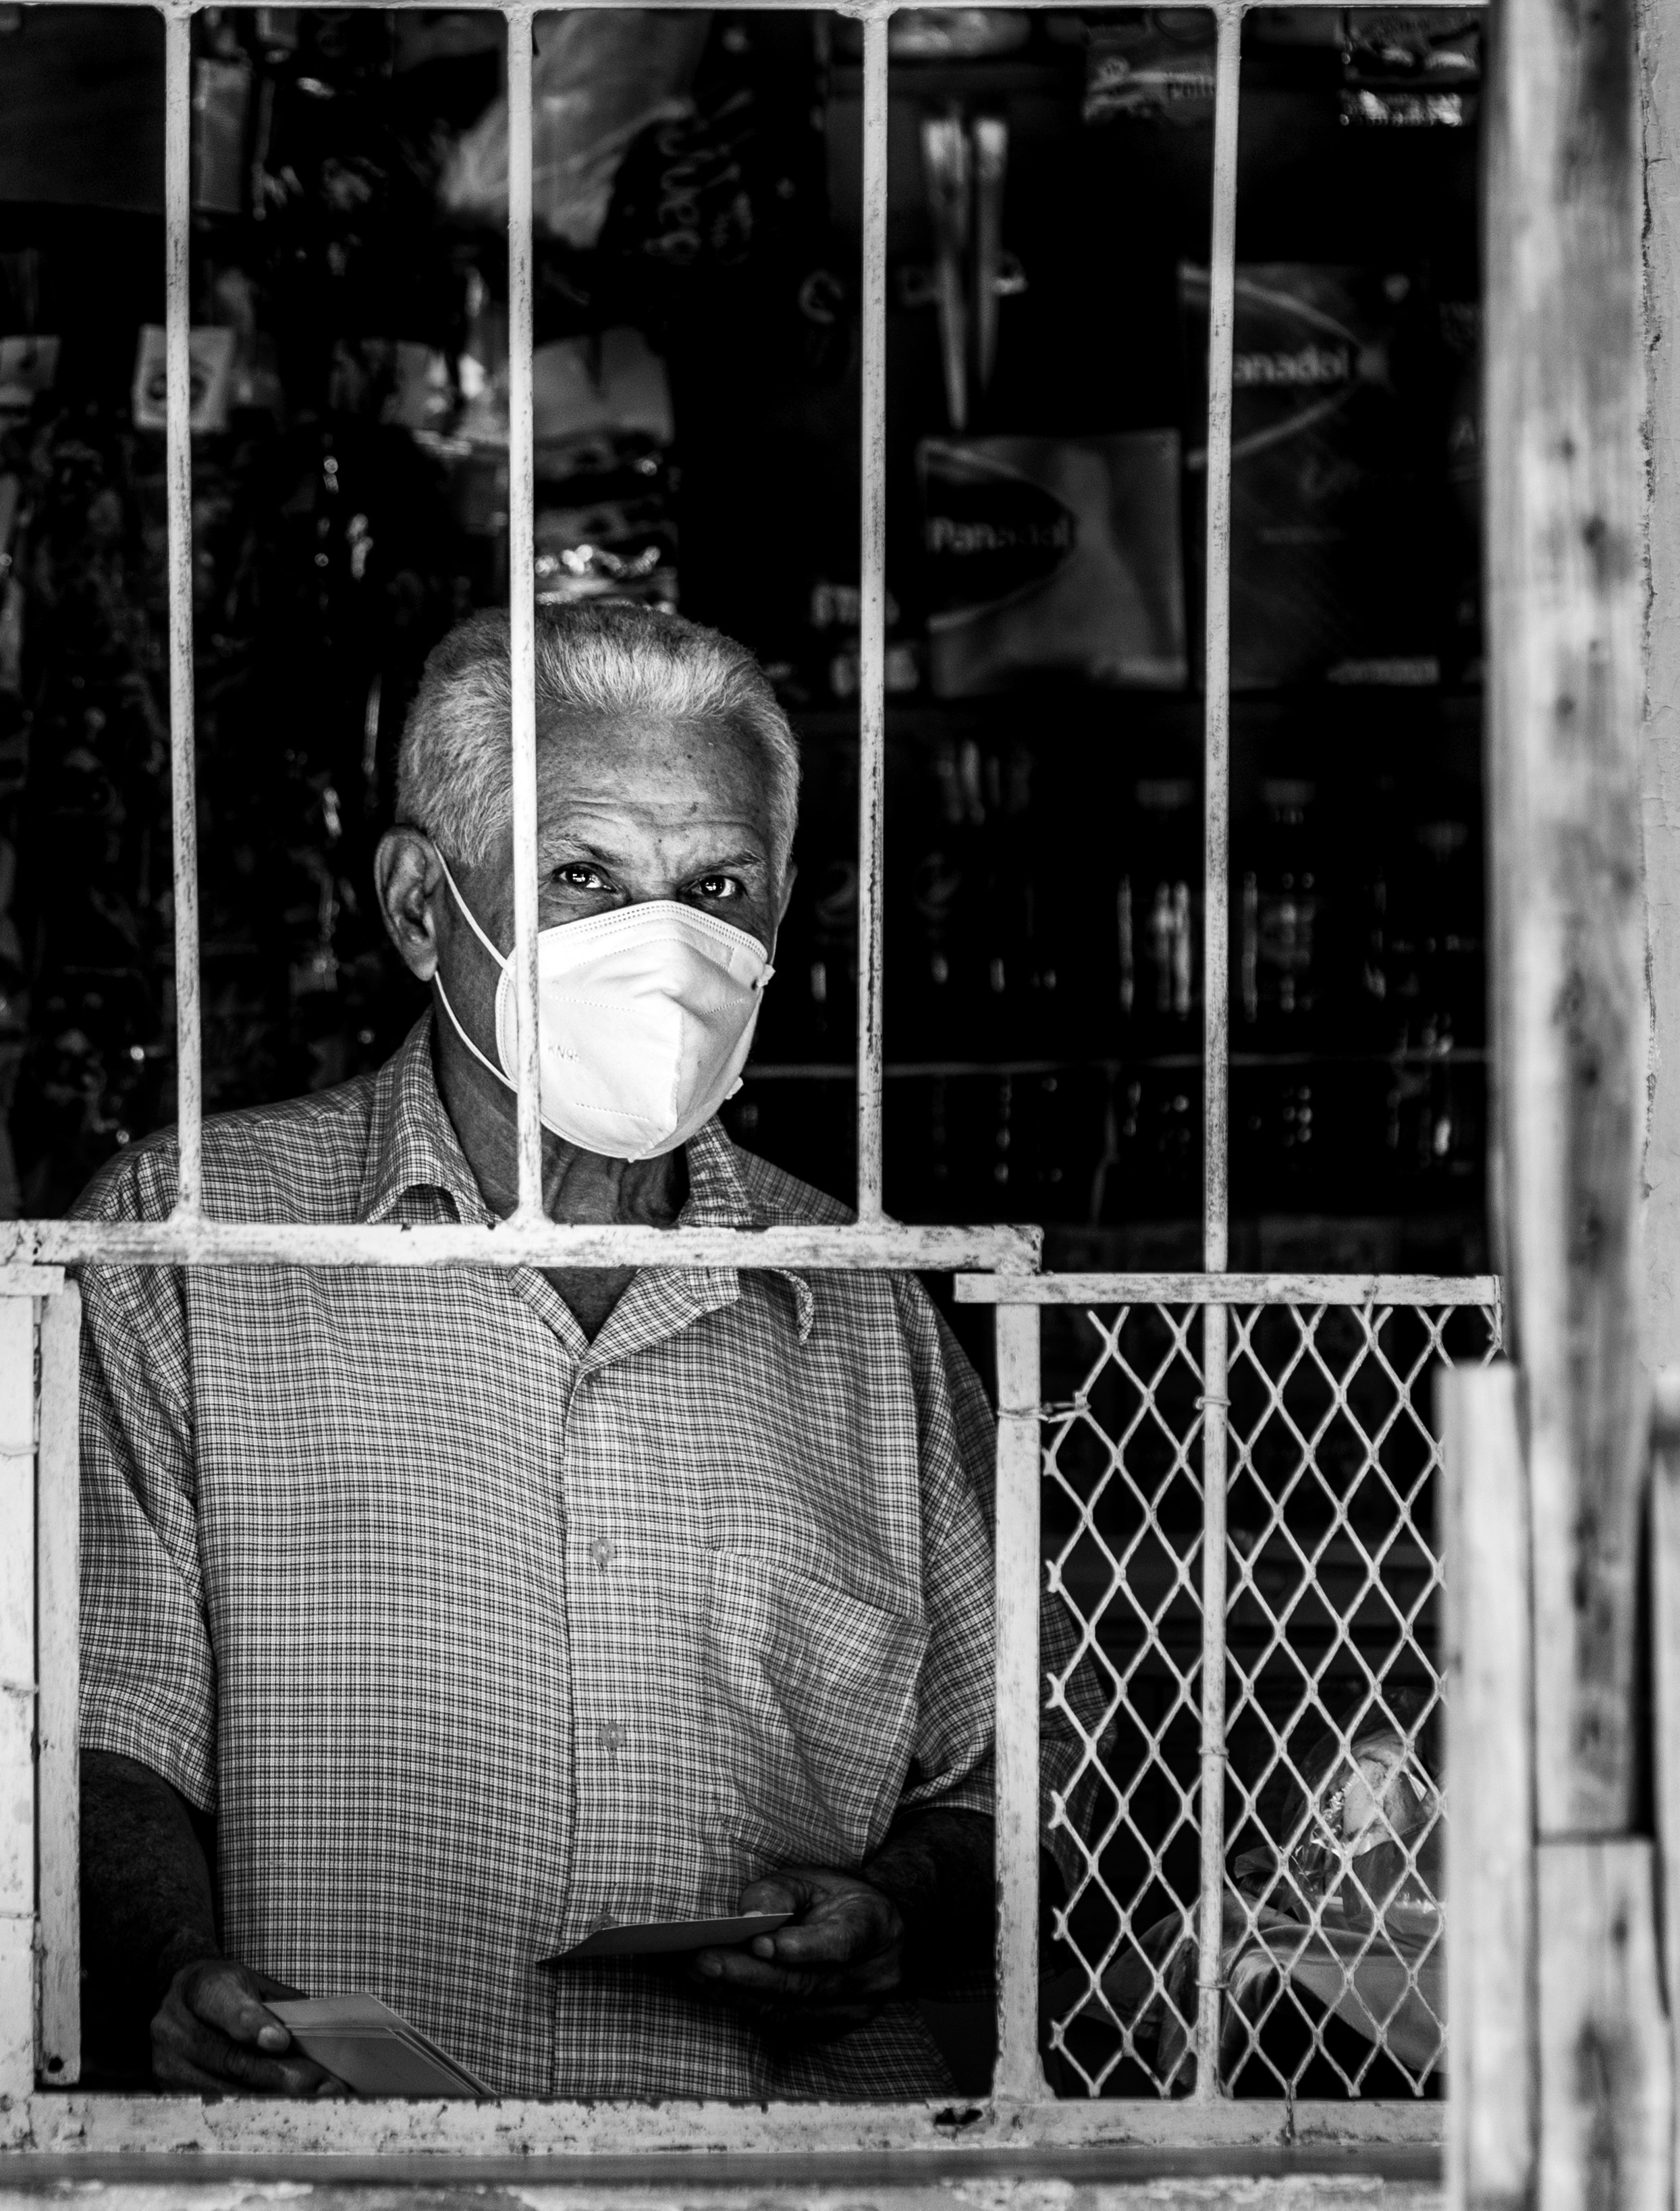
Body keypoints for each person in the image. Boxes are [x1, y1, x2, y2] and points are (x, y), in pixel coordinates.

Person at [76, 602, 1091, 2103]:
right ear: (425, 908)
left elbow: (1021, 1770)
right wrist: (172, 1975)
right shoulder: (189, 1244)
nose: (663, 940)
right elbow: (93, 1724)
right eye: (585, 877)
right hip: (333, 2206)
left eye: (716, 884)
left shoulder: (859, 1299)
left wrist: (901, 1908)